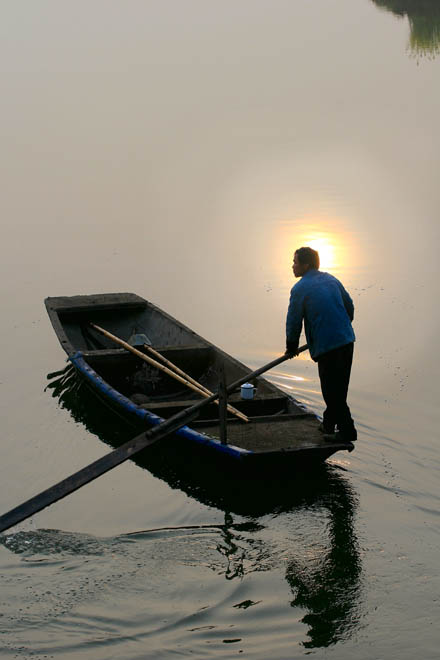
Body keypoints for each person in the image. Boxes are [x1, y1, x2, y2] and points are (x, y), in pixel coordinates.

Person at [285, 247, 357, 442]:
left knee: (332, 392)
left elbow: (293, 321)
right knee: (339, 389)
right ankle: (328, 425)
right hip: (346, 340)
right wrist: (339, 327)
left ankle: (347, 431)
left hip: (329, 346)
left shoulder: (300, 289)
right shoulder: (331, 280)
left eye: (296, 262)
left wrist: (291, 346)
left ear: (306, 265)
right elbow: (349, 306)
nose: (293, 266)